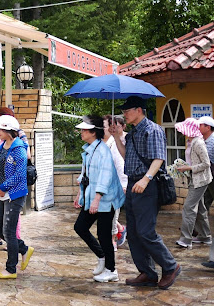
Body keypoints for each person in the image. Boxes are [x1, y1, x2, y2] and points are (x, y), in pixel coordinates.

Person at [109, 96, 180, 289]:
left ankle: (170, 266)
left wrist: (145, 179)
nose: (124, 114)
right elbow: (126, 156)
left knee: (145, 231)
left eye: (127, 110)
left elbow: (159, 158)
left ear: (139, 110)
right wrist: (116, 137)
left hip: (147, 185)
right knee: (133, 233)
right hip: (133, 183)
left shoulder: (152, 130)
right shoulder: (133, 132)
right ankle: (147, 273)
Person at [74, 116, 125, 283]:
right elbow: (86, 175)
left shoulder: (103, 151)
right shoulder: (90, 149)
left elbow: (105, 177)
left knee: (104, 235)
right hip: (93, 199)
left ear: (93, 132)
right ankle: (102, 257)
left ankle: (111, 270)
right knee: (80, 227)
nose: (81, 132)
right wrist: (80, 195)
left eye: (84, 130)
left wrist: (96, 200)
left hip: (105, 200)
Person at [0, 115, 34, 279]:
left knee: (9, 232)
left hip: (14, 195)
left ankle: (11, 269)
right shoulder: (3, 145)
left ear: (9, 131)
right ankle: (24, 249)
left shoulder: (19, 149)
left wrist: (3, 187)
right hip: (4, 193)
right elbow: (1, 165)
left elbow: (20, 175)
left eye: (1, 129)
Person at [0, 106, 29, 250]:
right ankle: (7, 240)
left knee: (11, 223)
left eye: (0, 126)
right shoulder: (2, 140)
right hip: (2, 184)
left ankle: (14, 247)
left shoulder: (18, 142)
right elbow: (1, 159)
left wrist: (3, 186)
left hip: (12, 188)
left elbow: (23, 164)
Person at [173, 118, 212, 248]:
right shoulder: (190, 142)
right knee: (200, 209)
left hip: (200, 180)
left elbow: (206, 164)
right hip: (194, 179)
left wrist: (188, 168)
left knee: (188, 208)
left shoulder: (198, 143)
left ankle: (186, 239)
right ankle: (205, 236)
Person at [103, 115, 128, 249]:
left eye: (104, 126)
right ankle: (120, 229)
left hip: (117, 184)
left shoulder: (117, 143)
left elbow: (121, 165)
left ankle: (113, 239)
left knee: (113, 212)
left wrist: (123, 184)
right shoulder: (106, 142)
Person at [197, 116, 214, 269]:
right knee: (202, 205)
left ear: (208, 127)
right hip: (208, 179)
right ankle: (200, 232)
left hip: (211, 178)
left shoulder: (212, 142)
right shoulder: (203, 141)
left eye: (201, 125)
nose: (199, 127)